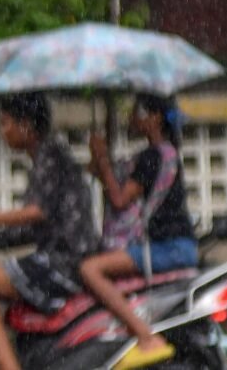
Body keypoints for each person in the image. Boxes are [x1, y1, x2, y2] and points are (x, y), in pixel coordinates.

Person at [0, 92, 99, 370]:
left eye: (6, 123)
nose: (2, 131)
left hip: (64, 262)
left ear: (26, 125)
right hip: (62, 255)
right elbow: (37, 226)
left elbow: (36, 212)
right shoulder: (48, 155)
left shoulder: (50, 156)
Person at [80, 94, 195, 368]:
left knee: (90, 270)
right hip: (180, 244)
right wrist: (100, 161)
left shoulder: (152, 157)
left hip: (165, 247)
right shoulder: (167, 154)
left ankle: (145, 337)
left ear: (154, 118)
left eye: (137, 113)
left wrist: (103, 160)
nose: (131, 118)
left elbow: (119, 199)